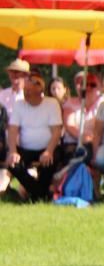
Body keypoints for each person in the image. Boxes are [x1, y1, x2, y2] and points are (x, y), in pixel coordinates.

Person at [6, 73, 62, 203]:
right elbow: (13, 130)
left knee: (52, 160)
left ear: (40, 90)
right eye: (25, 90)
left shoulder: (52, 104)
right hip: (26, 149)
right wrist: (13, 151)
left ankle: (36, 194)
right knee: (12, 163)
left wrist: (48, 151)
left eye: (29, 91)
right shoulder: (19, 105)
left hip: (48, 148)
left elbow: (56, 131)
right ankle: (40, 194)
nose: (26, 94)